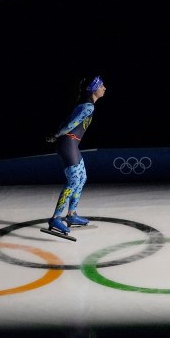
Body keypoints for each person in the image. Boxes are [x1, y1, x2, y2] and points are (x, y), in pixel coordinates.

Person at [43, 75, 107, 239]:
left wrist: (57, 134)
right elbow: (71, 124)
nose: (104, 88)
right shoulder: (88, 107)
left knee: (82, 178)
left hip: (72, 145)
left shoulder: (87, 104)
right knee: (73, 182)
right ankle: (55, 218)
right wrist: (56, 135)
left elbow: (68, 121)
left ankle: (71, 214)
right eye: (101, 86)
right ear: (94, 89)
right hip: (67, 145)